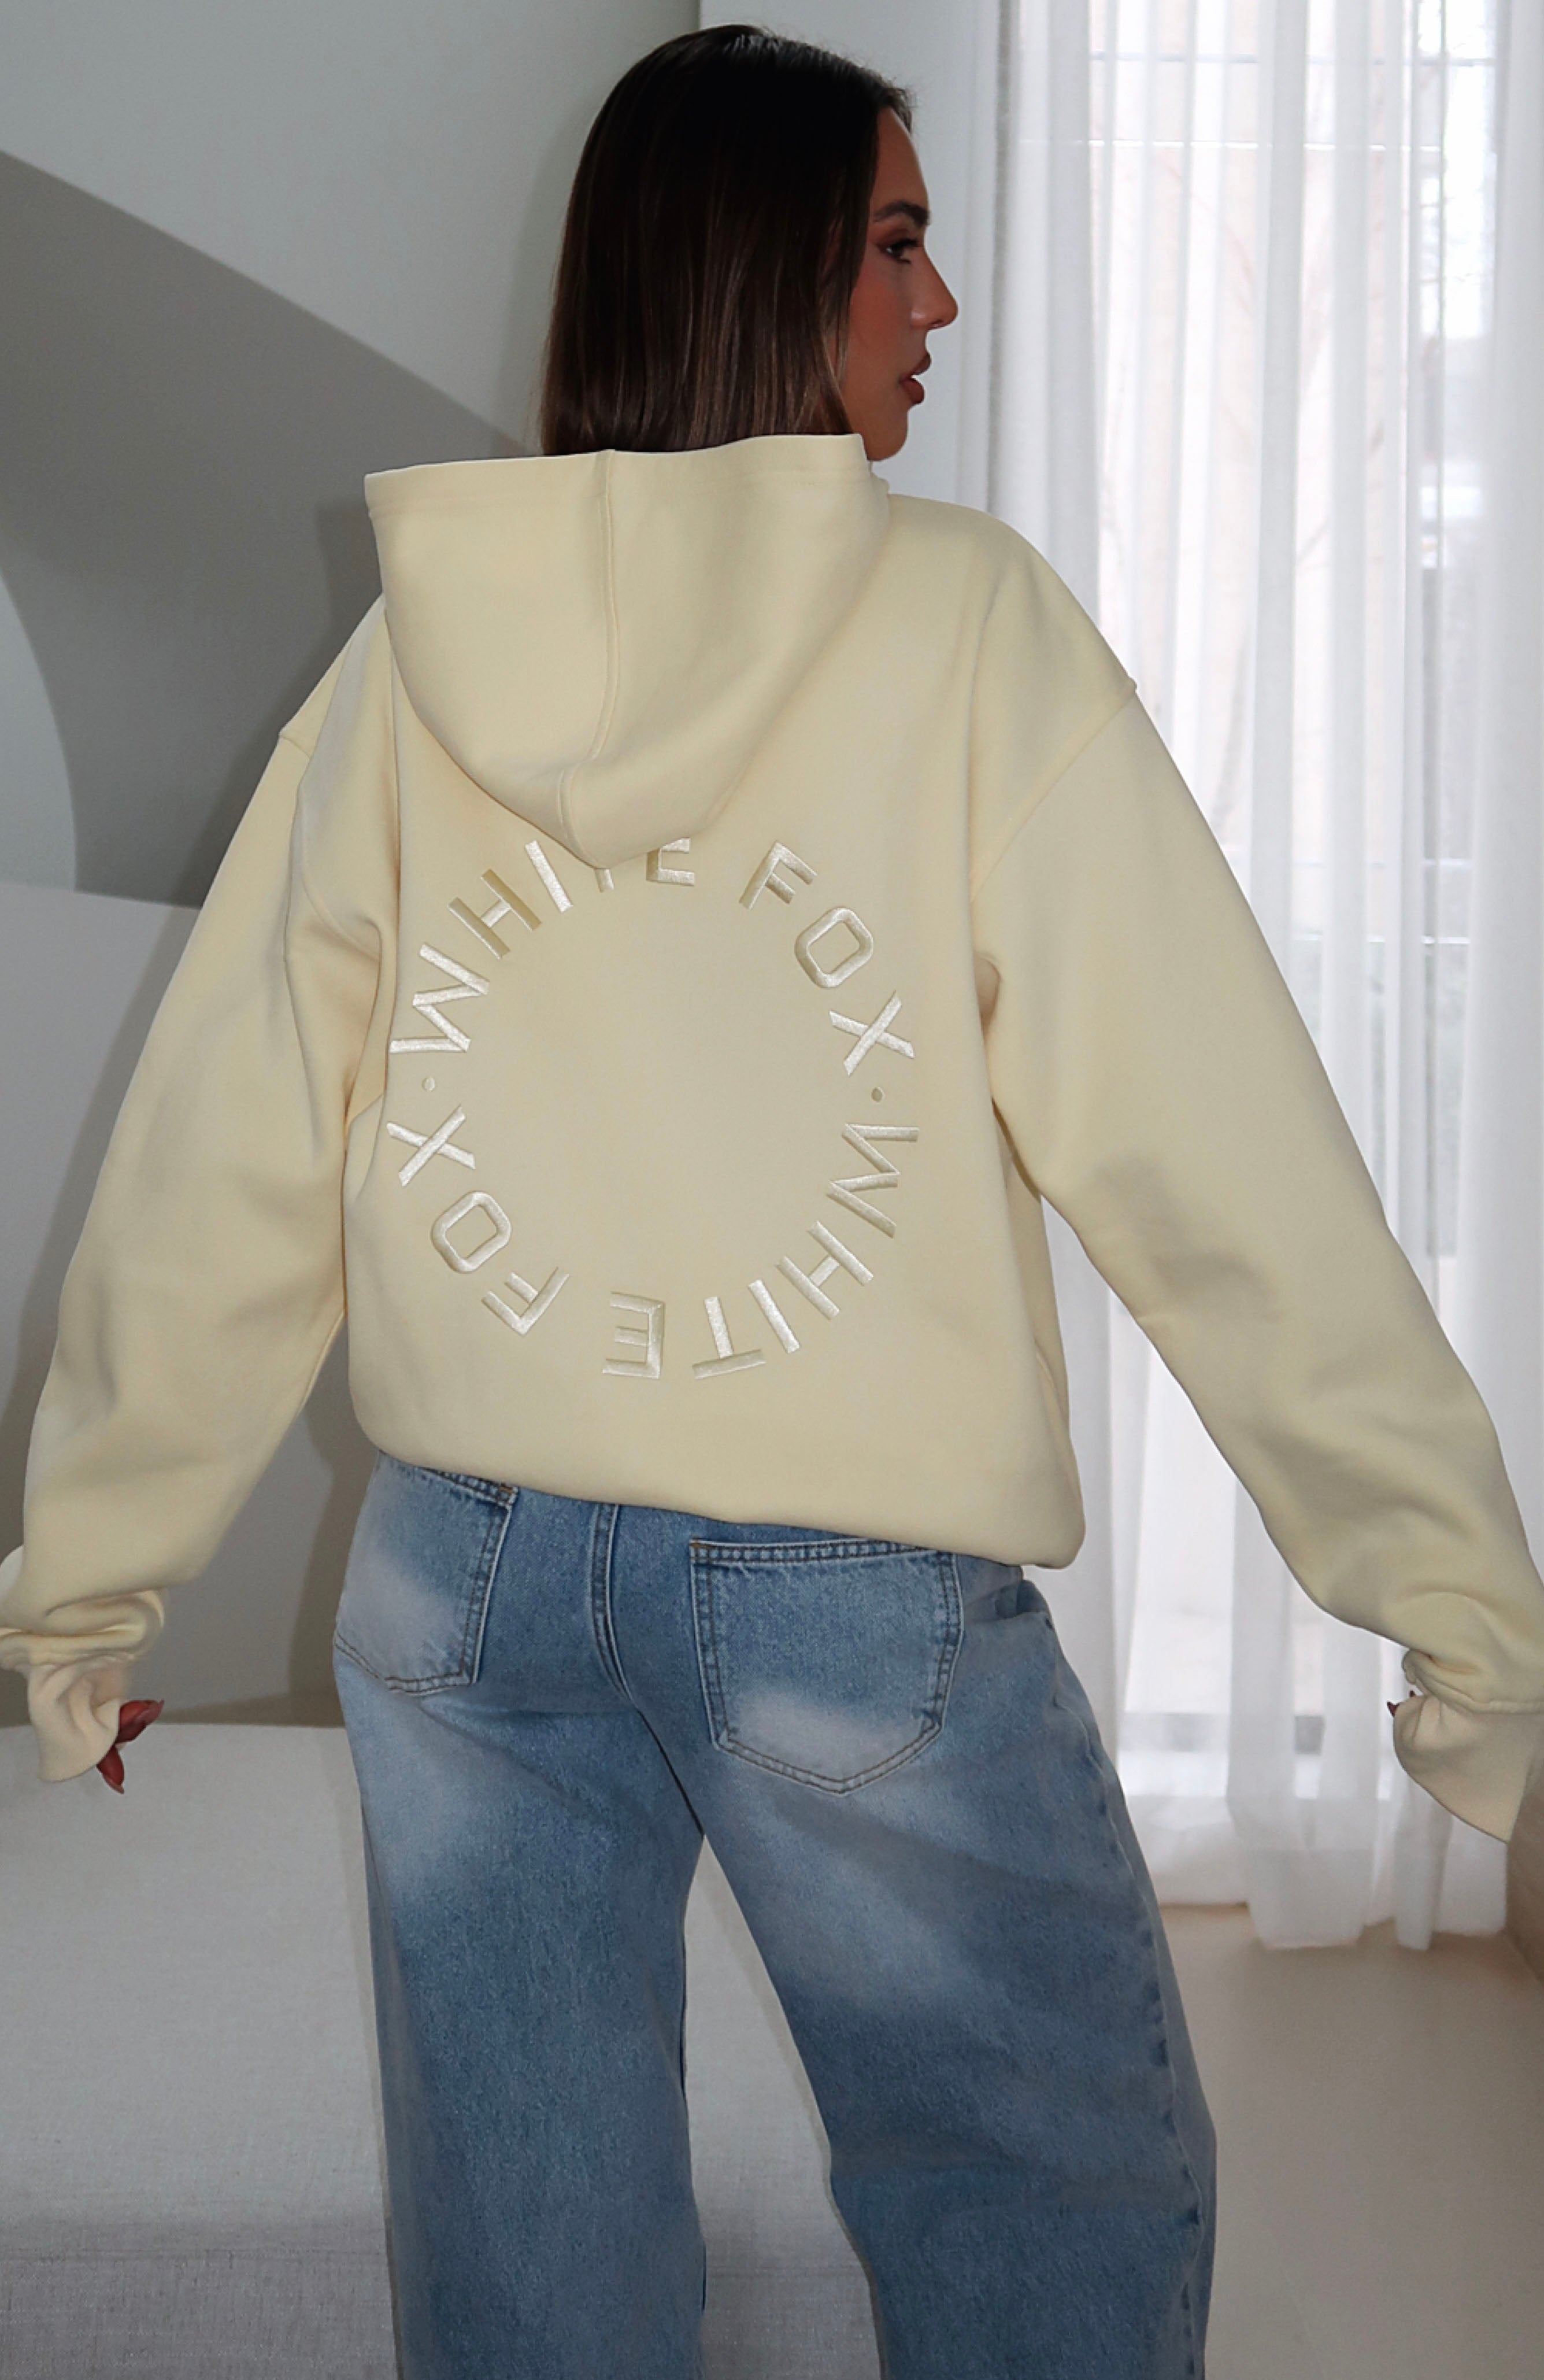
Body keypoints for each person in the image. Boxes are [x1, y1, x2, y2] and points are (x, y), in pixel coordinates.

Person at [3, 23, 1543, 2379]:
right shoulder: (963, 629)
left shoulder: (410, 656)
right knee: (1047, 2200)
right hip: (845, 1597)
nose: (941, 304)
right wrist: (1463, 1614)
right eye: (897, 243)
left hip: (460, 1581)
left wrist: (87, 1582)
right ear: (756, 266)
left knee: (532, 2256)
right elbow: (1219, 1159)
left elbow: (228, 1152)